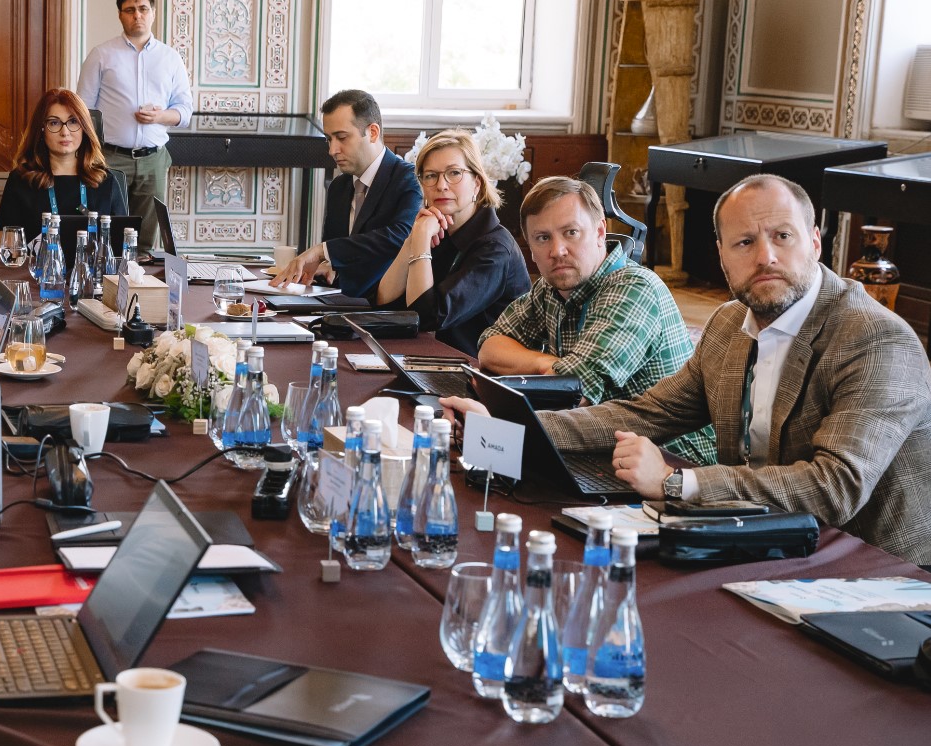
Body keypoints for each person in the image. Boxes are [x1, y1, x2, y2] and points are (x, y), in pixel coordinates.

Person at [448, 174, 931, 565]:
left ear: (815, 242)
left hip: (871, 568)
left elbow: (835, 488)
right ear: (722, 256)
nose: (765, 256)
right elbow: (643, 414)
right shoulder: (728, 325)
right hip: (760, 534)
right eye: (744, 242)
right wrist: (509, 426)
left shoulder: (875, 339)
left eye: (782, 236)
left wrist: (677, 483)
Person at [477, 176, 715, 465]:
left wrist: (553, 374)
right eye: (543, 238)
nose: (557, 250)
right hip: (597, 441)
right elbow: (489, 347)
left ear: (600, 232)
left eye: (571, 232)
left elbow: (573, 391)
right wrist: (543, 363)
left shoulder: (634, 289)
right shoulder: (550, 287)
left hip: (675, 460)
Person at [372, 130, 529, 355]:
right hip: (434, 360)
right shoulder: (440, 230)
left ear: (477, 183)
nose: (441, 185)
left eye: (454, 173)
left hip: (480, 371)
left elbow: (425, 318)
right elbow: (384, 303)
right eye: (430, 175)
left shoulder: (495, 249)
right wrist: (412, 240)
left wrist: (421, 241)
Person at [270, 89, 421, 298]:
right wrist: (327, 266)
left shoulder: (409, 179)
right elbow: (335, 253)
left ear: (372, 132)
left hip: (384, 305)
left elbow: (401, 237)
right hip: (335, 297)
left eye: (342, 137)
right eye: (328, 139)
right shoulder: (339, 187)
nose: (332, 150)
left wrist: (323, 251)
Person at [77, 0, 193, 252]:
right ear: (120, 15)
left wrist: (161, 116)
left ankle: (141, 273)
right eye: (130, 10)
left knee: (145, 238)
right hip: (110, 157)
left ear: (153, 13)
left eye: (143, 9)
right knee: (105, 229)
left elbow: (185, 110)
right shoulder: (101, 55)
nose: (137, 15)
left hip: (153, 159)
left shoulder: (170, 58)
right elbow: (83, 109)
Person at [0, 88, 123, 232]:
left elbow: (123, 239)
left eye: (73, 121)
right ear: (41, 129)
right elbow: (7, 243)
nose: (65, 132)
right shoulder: (21, 180)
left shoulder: (106, 181)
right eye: (54, 123)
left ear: (84, 128)